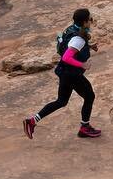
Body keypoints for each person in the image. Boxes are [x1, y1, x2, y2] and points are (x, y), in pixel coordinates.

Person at [24, 8, 102, 139]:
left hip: (64, 71)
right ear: (84, 22)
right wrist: (82, 64)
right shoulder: (79, 39)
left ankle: (32, 121)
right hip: (72, 74)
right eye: (90, 19)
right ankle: (84, 128)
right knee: (89, 96)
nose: (91, 21)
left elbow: (69, 45)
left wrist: (89, 46)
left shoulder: (72, 29)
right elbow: (67, 56)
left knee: (61, 101)